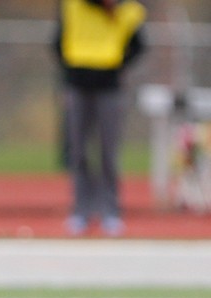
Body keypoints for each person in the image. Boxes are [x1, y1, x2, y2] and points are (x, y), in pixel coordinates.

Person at [54, 0, 146, 237]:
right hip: (77, 85)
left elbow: (139, 45)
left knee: (108, 151)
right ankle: (81, 211)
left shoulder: (127, 11)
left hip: (110, 87)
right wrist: (70, 75)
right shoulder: (74, 6)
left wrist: (116, 63)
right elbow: (57, 42)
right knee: (78, 151)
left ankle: (110, 211)